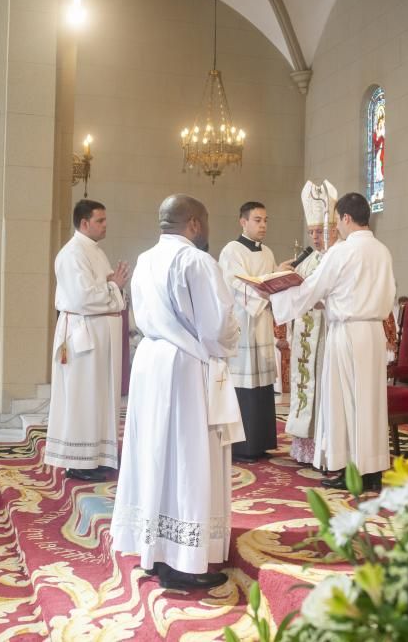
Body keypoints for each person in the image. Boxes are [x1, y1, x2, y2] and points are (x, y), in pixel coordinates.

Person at [111, 194, 242, 590]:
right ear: (195, 224)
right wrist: (228, 344)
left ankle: (155, 550)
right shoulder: (196, 261)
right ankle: (185, 559)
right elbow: (217, 327)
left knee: (155, 455)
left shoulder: (146, 259)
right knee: (188, 456)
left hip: (150, 361)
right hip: (185, 367)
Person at [271, 193, 396, 492]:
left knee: (345, 402)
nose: (336, 226)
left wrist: (275, 289)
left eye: (337, 219)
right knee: (371, 403)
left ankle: (352, 471)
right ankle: (373, 470)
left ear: (347, 218)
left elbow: (312, 289)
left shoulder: (342, 251)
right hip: (373, 333)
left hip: (348, 333)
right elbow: (382, 293)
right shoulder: (382, 251)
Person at [45, 200, 130, 482]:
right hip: (82, 337)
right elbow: (83, 298)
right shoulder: (71, 254)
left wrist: (113, 287)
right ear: (84, 223)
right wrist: (113, 287)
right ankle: (78, 461)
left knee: (97, 396)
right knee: (82, 397)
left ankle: (95, 457)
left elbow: (105, 290)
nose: (106, 225)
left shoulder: (94, 251)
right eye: (101, 220)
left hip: (97, 336)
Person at [217, 202, 278, 463]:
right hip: (243, 324)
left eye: (265, 220)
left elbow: (270, 283)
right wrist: (266, 289)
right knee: (244, 385)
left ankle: (261, 442)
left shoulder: (268, 252)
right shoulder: (232, 250)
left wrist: (280, 277)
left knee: (262, 385)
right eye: (257, 220)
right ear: (243, 222)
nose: (262, 225)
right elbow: (235, 284)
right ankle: (242, 446)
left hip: (262, 323)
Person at [286, 181, 340, 466]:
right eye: (311, 232)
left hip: (328, 336)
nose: (316, 237)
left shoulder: (338, 257)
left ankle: (324, 446)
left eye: (320, 232)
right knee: (306, 386)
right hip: (306, 338)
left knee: (322, 389)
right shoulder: (306, 261)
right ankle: (304, 445)